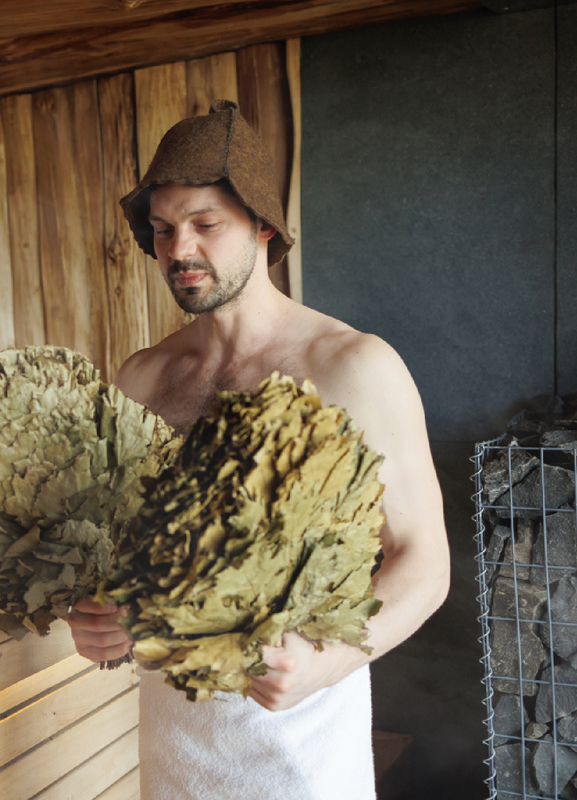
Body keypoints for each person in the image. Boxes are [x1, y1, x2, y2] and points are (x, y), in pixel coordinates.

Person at [65, 100, 450, 799]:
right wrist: (100, 620)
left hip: (304, 767)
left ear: (263, 226)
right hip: (174, 764)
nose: (179, 249)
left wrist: (326, 660)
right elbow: (121, 563)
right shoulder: (141, 379)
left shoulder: (353, 366)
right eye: (162, 229)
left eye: (205, 224)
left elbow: (425, 563)